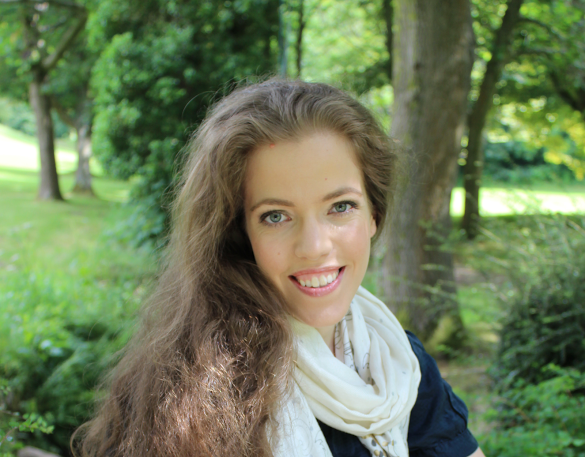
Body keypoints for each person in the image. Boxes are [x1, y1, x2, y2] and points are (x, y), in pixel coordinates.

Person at [74, 80, 485, 457]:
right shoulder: (193, 392)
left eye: (340, 207)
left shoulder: (396, 361)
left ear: (373, 214)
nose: (314, 247)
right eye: (275, 216)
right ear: (238, 232)